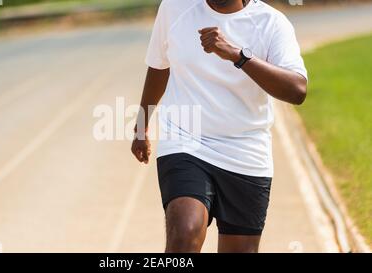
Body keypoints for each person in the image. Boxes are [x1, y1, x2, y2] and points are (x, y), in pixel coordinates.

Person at [131, 0, 307, 253]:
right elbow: (160, 68)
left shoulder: (271, 23)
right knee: (185, 231)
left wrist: (239, 56)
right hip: (185, 141)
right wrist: (141, 126)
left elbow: (297, 90)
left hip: (246, 152)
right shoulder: (174, 8)